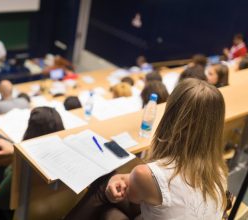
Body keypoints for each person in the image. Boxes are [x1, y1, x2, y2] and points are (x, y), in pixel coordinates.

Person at [65, 79, 228, 220]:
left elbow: (135, 187)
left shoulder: (147, 175)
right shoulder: (220, 171)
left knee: (107, 205)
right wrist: (121, 179)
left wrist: (113, 184)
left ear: (171, 116)